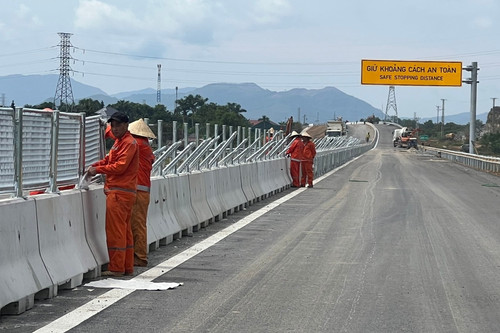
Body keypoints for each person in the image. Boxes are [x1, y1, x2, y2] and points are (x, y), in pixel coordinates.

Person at [87, 111, 139, 277]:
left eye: (118, 126)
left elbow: (119, 167)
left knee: (115, 231)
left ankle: (117, 267)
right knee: (124, 232)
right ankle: (126, 266)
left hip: (119, 192)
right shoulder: (120, 142)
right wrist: (96, 165)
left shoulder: (128, 143)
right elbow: (110, 161)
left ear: (126, 125)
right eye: (113, 126)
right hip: (123, 192)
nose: (115, 129)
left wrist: (97, 170)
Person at [127, 119, 156, 267]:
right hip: (142, 190)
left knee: (137, 225)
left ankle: (140, 257)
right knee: (138, 224)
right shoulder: (145, 145)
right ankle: (138, 255)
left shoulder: (136, 144)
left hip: (138, 190)